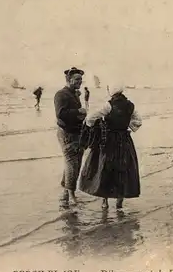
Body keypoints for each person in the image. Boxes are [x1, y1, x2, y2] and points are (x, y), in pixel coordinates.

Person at [77, 84, 142, 209]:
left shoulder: (108, 105)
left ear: (111, 92)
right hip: (124, 140)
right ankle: (119, 202)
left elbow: (90, 117)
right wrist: (127, 126)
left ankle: (105, 202)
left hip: (109, 140)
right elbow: (138, 121)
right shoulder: (130, 105)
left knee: (105, 168)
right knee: (123, 169)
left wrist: (92, 127)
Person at [54, 67, 87, 206]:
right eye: (77, 79)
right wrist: (78, 111)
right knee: (72, 163)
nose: (80, 81)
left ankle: (65, 193)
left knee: (74, 163)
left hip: (76, 133)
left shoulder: (73, 94)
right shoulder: (61, 94)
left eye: (81, 79)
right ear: (69, 80)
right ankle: (71, 195)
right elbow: (60, 114)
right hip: (67, 134)